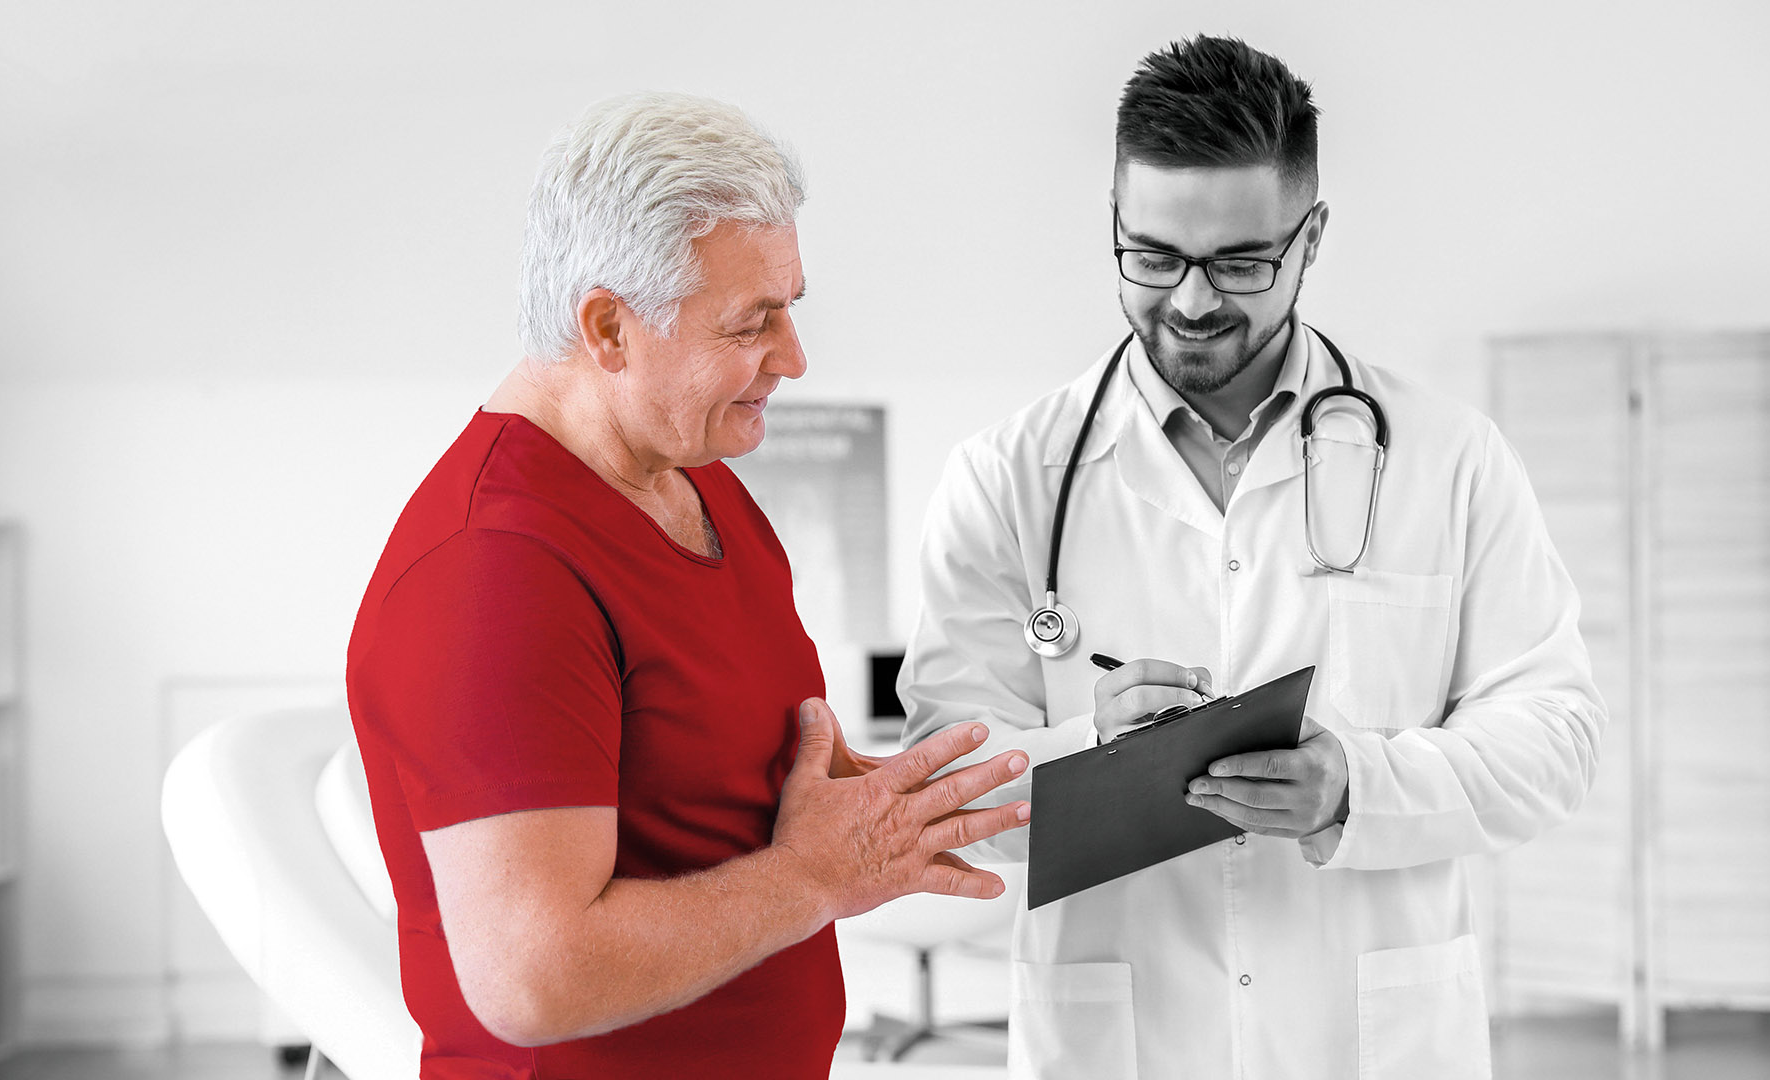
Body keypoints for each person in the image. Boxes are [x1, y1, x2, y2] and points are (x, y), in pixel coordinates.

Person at [900, 35, 1605, 1080]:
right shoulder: (1006, 478)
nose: (1190, 303)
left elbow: (1557, 737)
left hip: (1369, 1037)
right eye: (1152, 258)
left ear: (1311, 238)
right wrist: (1088, 748)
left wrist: (1356, 784)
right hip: (1119, 1039)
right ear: (1114, 226)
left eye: (1239, 263)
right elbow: (944, 787)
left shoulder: (1447, 456)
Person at [345, 92, 1031, 1079]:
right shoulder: (494, 569)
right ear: (609, 328)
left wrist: (1043, 771)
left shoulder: (698, 481)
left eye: (791, 307)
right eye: (753, 323)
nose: (793, 359)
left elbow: (746, 787)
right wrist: (816, 878)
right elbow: (536, 977)